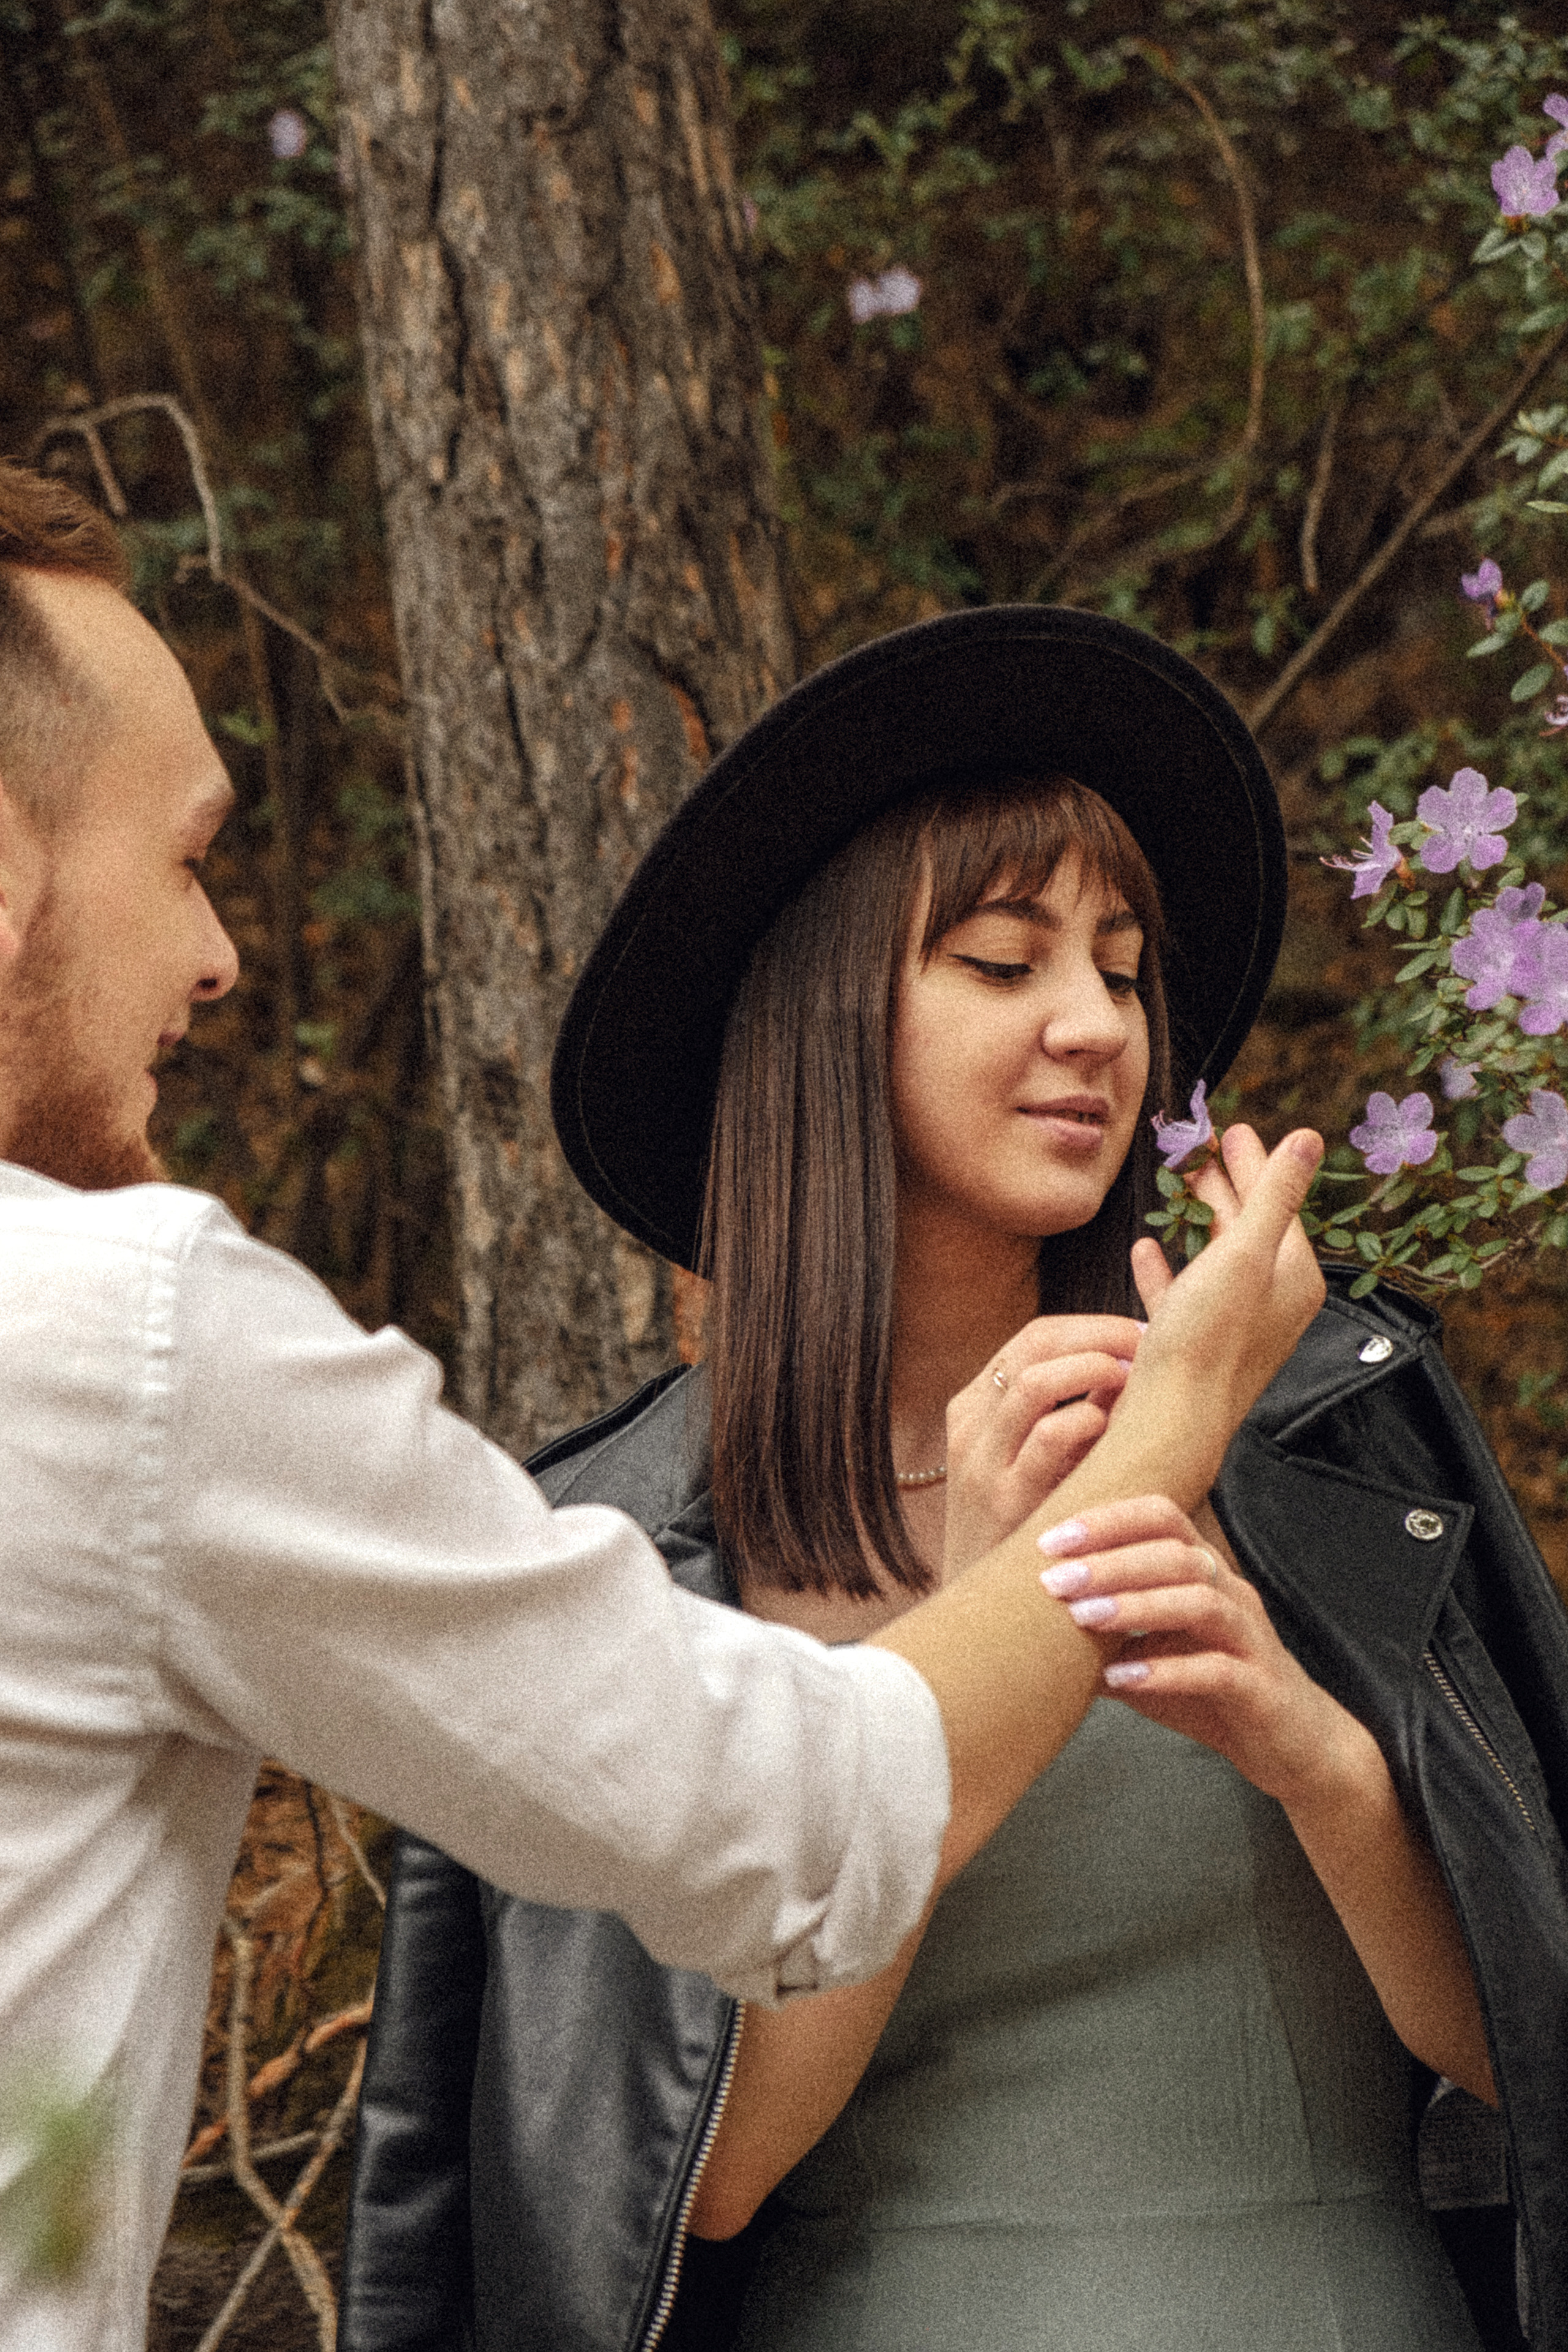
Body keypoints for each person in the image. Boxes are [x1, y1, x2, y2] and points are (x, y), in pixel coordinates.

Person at [0, 464, 1326, 2352]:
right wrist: (1164, 1437)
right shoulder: (127, 1344)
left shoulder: (1354, 1442)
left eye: (1124, 968)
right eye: (194, 856)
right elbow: (787, 1835)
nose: (219, 954)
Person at [343, 607, 1568, 2352]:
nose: (1096, 1025)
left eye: (1125, 970)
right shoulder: (626, 1544)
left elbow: (1525, 2046)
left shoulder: (1326, 1424)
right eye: (1004, 964)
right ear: (824, 1027)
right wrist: (993, 1601)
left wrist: (1318, 1757)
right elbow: (707, 2171)